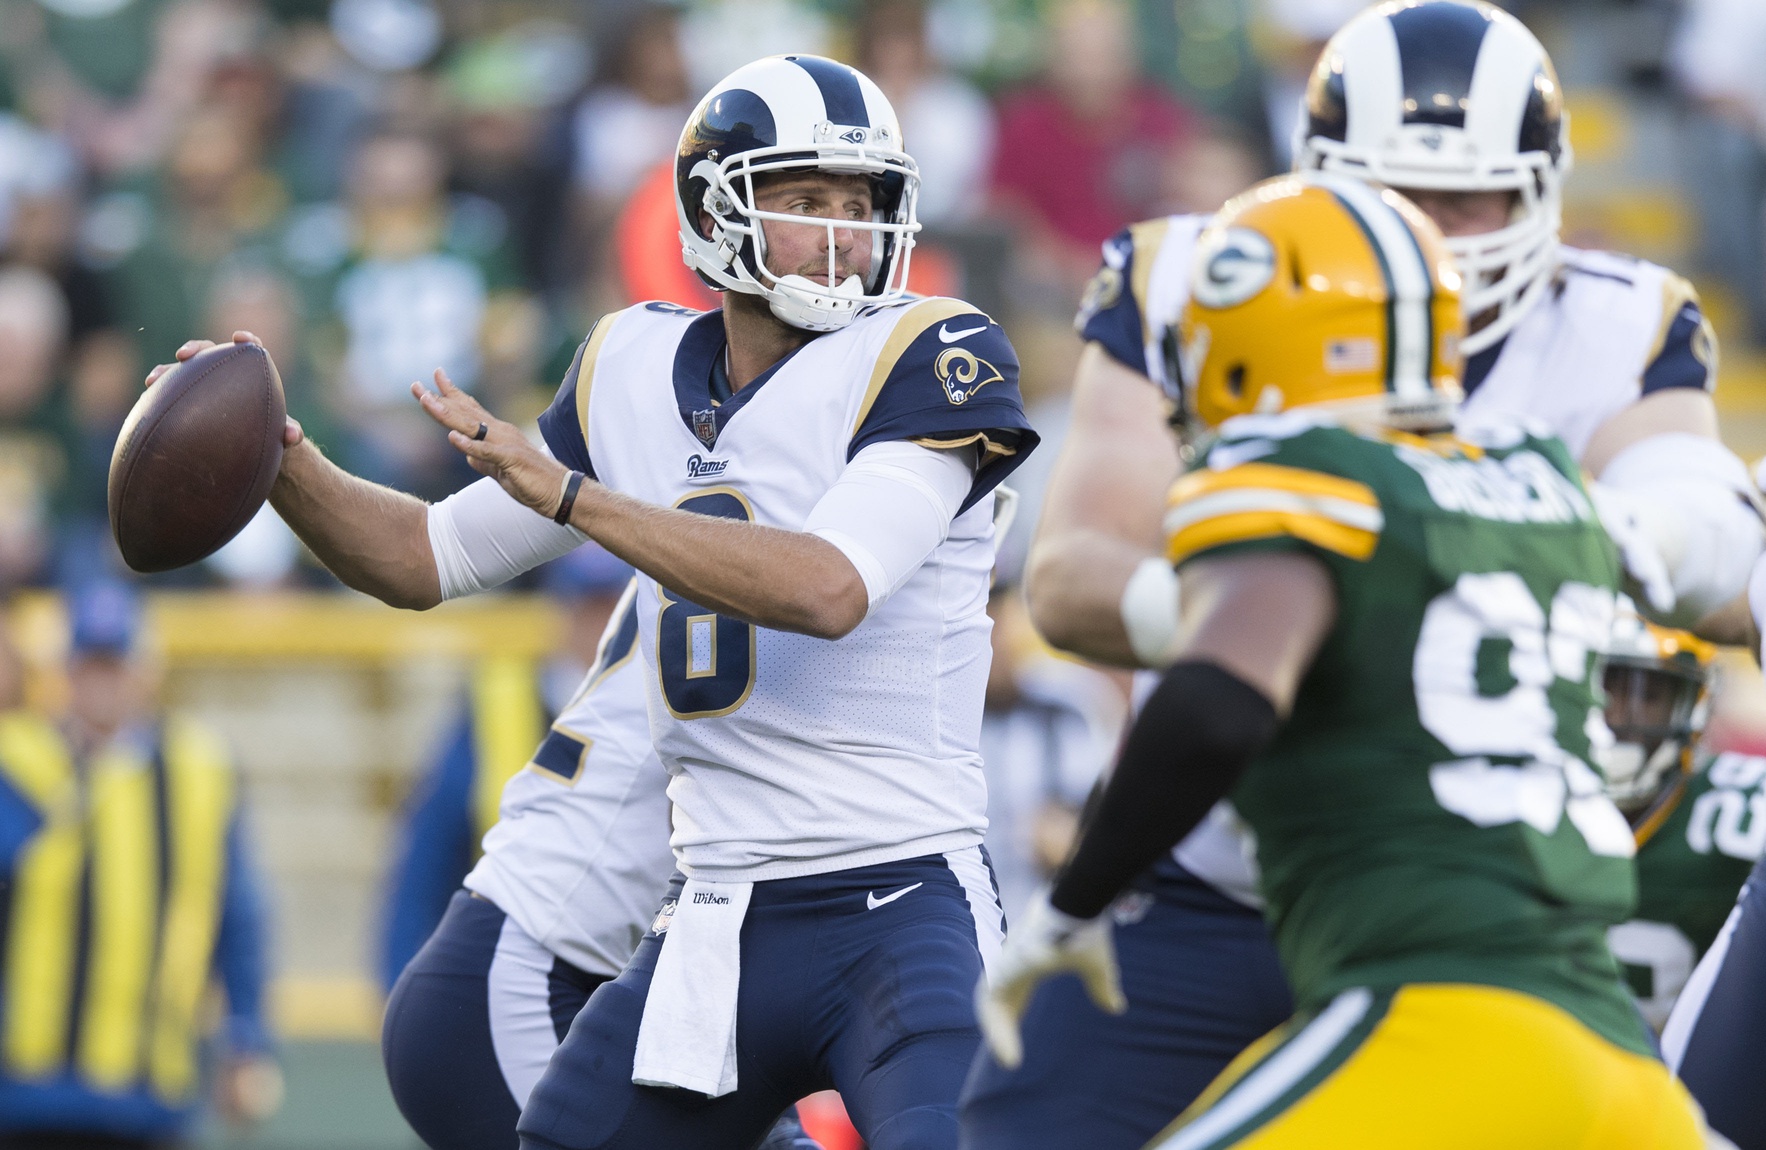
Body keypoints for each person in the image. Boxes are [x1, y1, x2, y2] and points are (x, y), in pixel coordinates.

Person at [150, 53, 1035, 1150]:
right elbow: (424, 557)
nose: (843, 234)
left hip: (898, 898)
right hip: (720, 910)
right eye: (805, 202)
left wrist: (575, 498)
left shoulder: (930, 347)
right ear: (716, 211)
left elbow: (828, 585)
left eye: (859, 205)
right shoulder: (629, 361)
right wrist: (283, 461)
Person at [963, 4, 1763, 1147]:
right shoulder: (1201, 274)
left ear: (1541, 186)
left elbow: (1703, 533)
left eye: (1468, 196)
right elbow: (1074, 576)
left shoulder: (1615, 322)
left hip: (1462, 914)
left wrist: (1315, 591)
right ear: (1315, 175)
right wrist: (1350, 599)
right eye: (1394, 193)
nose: (1433, 234)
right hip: (1221, 879)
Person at [0, 582, 279, 1147]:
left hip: (150, 1091)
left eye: (116, 664)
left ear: (146, 670)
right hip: (28, 1091)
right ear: (67, 671)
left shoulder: (199, 772)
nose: (102, 682)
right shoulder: (18, 762)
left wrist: (246, 1039)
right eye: (90, 664)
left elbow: (240, 917)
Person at [1600, 605, 1765, 1031]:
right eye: (1602, 689)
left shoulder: (1737, 810)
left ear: (1692, 705)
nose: (1617, 718)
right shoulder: (1513, 806)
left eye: (1646, 696)